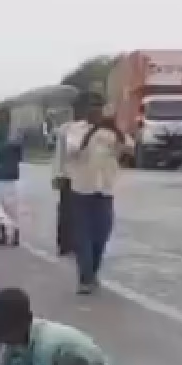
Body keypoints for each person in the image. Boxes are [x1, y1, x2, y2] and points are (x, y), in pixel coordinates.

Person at [64, 93, 131, 295]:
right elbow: (73, 150)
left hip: (105, 190)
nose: (96, 110)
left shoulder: (111, 130)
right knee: (83, 236)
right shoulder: (75, 130)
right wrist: (93, 130)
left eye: (99, 106)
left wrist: (116, 131)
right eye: (92, 106)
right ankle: (85, 279)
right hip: (82, 190)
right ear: (86, 110)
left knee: (102, 234)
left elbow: (129, 149)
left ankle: (92, 273)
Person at [50, 104, 85, 257]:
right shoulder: (68, 129)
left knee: (75, 211)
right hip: (69, 175)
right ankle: (66, 243)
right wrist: (57, 174)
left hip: (78, 176)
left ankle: (72, 242)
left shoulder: (71, 128)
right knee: (68, 211)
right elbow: (66, 152)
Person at [0, 107, 23, 247]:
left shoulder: (10, 136)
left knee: (7, 206)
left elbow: (18, 155)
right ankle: (7, 234)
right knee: (1, 207)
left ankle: (13, 234)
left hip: (6, 175)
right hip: (0, 174)